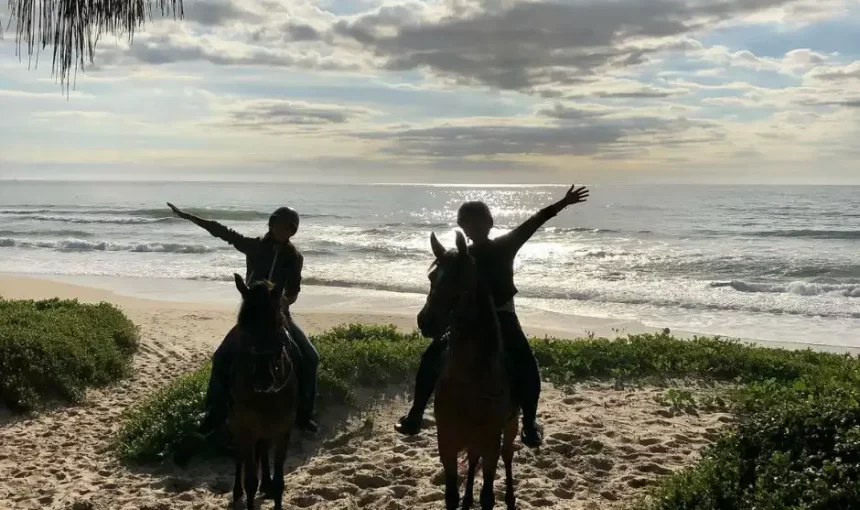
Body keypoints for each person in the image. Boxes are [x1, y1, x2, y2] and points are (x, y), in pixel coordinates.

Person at [394, 184, 590, 448]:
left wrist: (563, 203)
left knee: (526, 362)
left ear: (489, 223)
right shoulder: (459, 256)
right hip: (467, 320)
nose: (471, 228)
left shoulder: (505, 245)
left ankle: (530, 421)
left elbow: (534, 221)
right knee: (431, 356)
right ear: (463, 228)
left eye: (476, 222)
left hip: (502, 317)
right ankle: (416, 413)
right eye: (466, 224)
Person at [167, 203, 319, 434]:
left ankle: (304, 414)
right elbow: (222, 231)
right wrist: (188, 216)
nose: (282, 231)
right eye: (278, 225)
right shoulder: (254, 246)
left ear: (293, 231)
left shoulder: (294, 257)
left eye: (288, 228)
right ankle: (212, 412)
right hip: (252, 318)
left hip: (279, 316)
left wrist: (279, 304)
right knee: (221, 357)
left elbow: (294, 292)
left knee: (310, 358)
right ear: (271, 224)